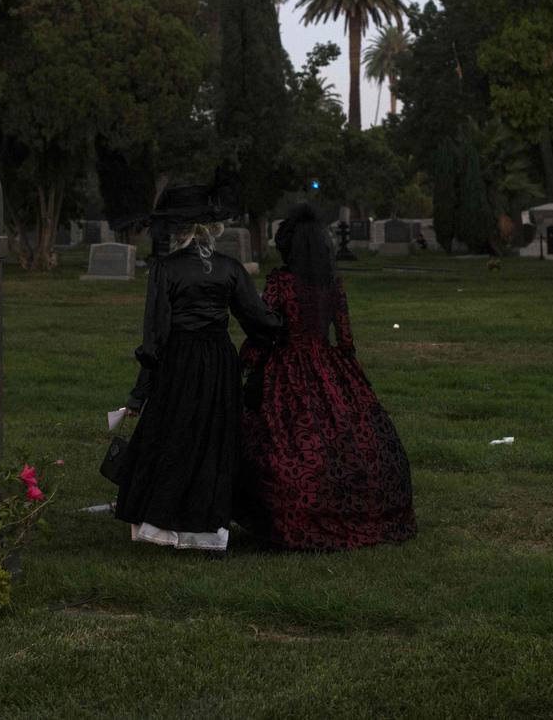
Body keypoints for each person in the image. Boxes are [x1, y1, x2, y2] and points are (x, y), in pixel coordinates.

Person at [114, 185, 283, 552]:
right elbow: (258, 319)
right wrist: (286, 323)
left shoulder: (165, 269)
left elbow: (155, 334)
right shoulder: (230, 268)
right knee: (214, 435)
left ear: (177, 230)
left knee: (174, 432)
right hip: (219, 361)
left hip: (179, 360)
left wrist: (141, 391)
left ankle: (164, 524)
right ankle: (206, 527)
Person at [237, 204, 416, 551]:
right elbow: (346, 341)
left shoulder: (281, 283)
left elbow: (266, 330)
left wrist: (247, 364)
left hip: (288, 366)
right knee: (347, 438)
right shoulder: (333, 284)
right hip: (330, 365)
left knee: (282, 440)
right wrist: (354, 381)